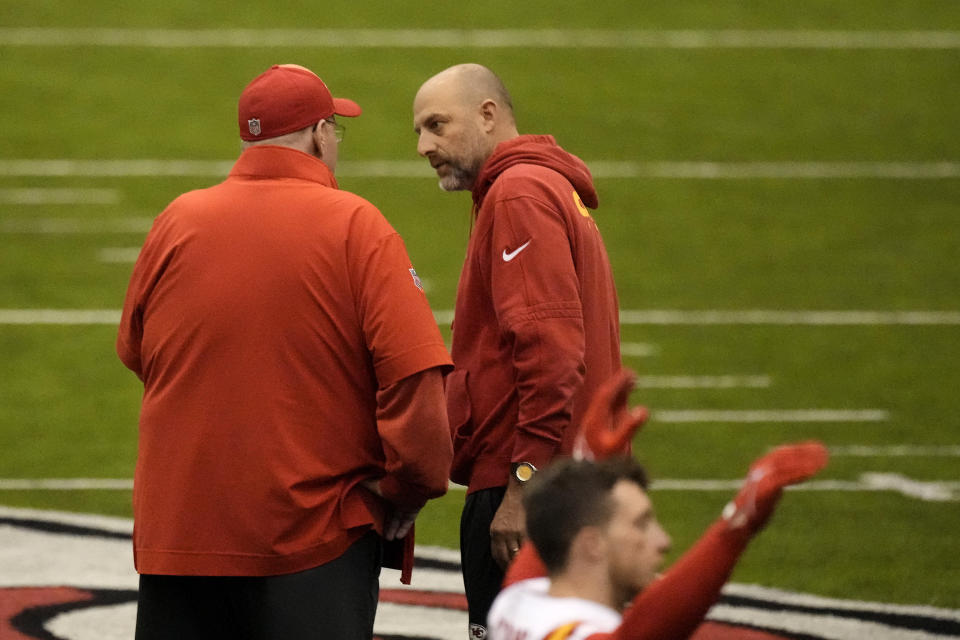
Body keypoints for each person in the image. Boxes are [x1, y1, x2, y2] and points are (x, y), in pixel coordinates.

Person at [117, 63, 453, 640]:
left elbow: (135, 351)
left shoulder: (176, 220)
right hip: (312, 543)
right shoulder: (355, 225)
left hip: (179, 538)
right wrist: (408, 486)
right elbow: (415, 377)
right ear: (321, 134)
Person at [413, 63, 623, 638]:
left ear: (488, 115)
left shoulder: (519, 193)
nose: (425, 146)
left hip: (531, 485)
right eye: (419, 132)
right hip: (566, 481)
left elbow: (550, 352)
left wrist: (523, 484)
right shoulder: (544, 187)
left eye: (436, 125)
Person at [487, 371, 830, 640]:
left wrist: (589, 463)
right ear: (590, 544)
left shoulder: (517, 601)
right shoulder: (568, 628)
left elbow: (553, 532)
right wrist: (733, 531)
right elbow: (647, 630)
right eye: (640, 524)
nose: (663, 540)